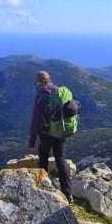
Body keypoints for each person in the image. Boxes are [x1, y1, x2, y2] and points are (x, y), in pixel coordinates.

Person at [28, 71, 72, 202]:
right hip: (60, 133)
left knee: (43, 161)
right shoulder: (59, 92)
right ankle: (67, 193)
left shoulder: (41, 96)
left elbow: (36, 119)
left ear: (39, 82)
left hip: (46, 134)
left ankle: (43, 189)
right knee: (61, 161)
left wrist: (32, 140)